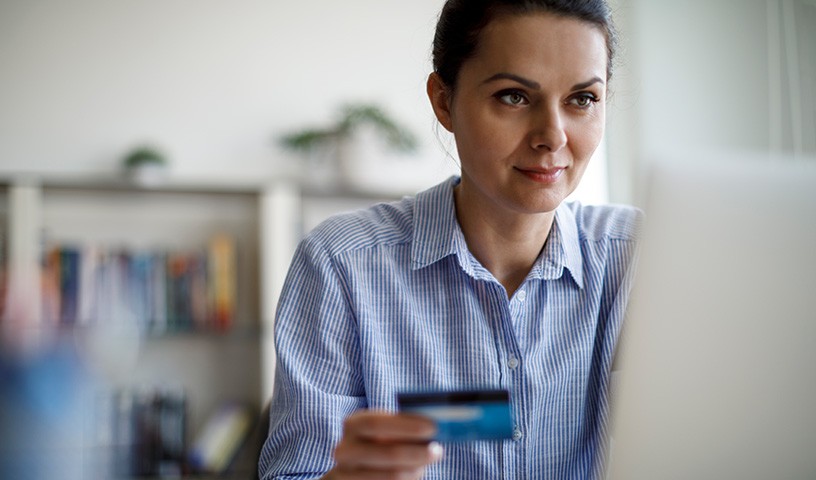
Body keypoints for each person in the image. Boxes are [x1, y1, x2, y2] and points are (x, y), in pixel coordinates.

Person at [258, 0, 641, 478]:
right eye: (514, 97)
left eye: (582, 99)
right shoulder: (343, 264)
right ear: (444, 101)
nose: (552, 136)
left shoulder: (642, 259)